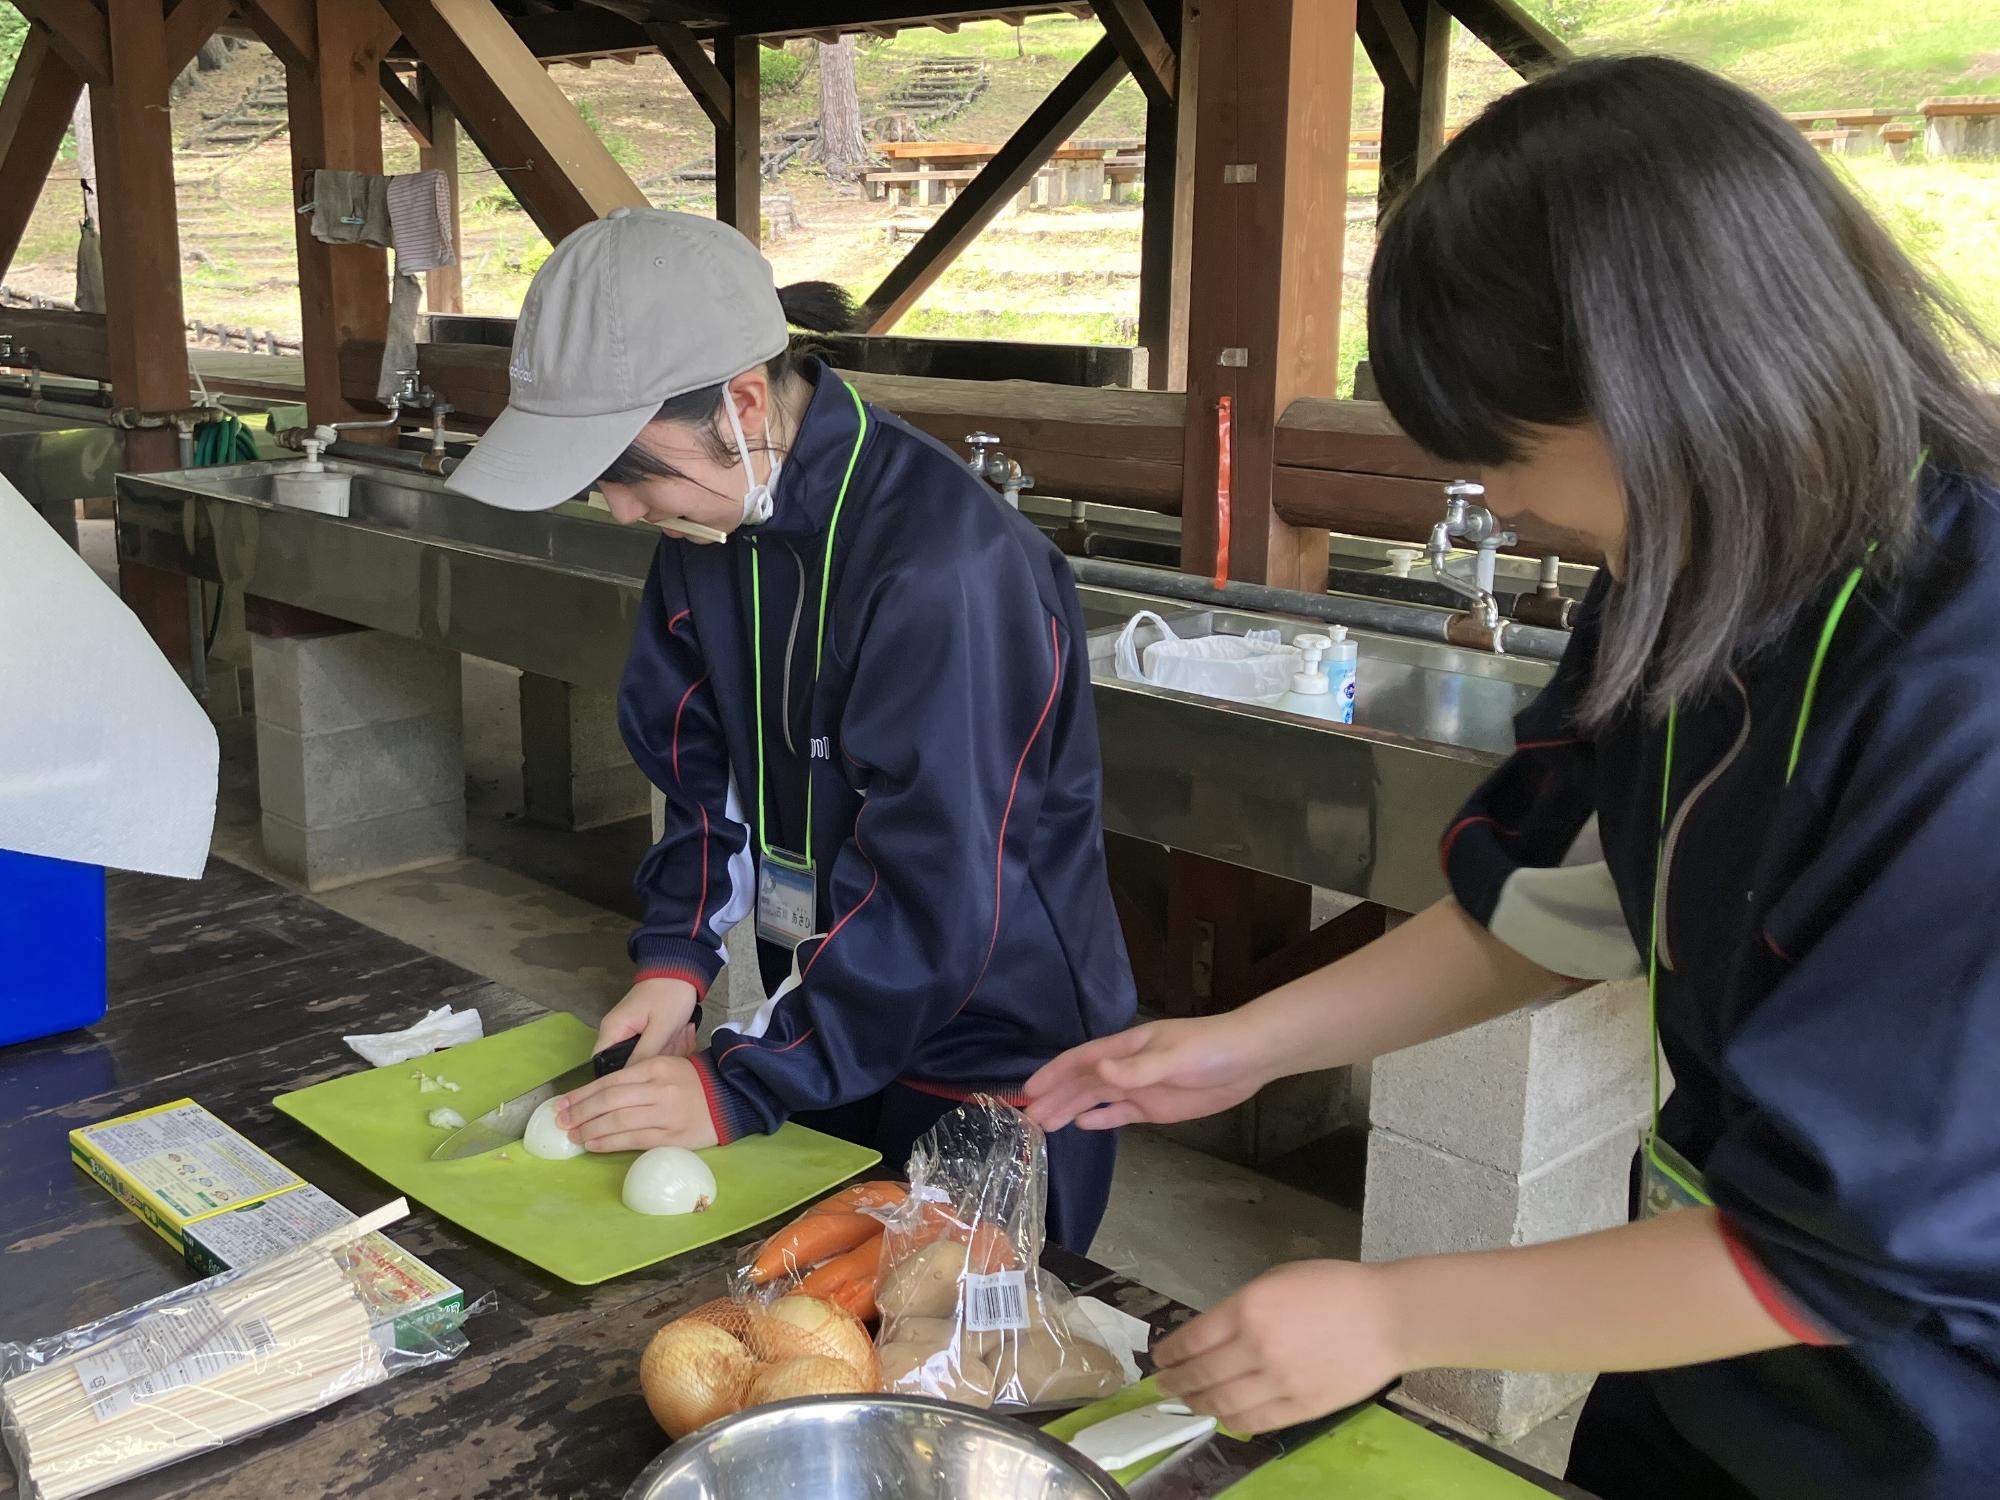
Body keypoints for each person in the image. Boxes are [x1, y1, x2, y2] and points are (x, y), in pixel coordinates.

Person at [1027, 55, 2000, 1498]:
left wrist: (1396, 1313)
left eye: (1505, 452)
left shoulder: (1959, 695)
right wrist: (1244, 1044)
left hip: (1926, 1414)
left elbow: (1847, 1246)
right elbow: (1554, 908)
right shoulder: (1690, 570)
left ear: (1669, 385)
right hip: (1693, 1349)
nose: (1495, 504)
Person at [448, 208, 1135, 1250]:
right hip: (822, 1006)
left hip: (995, 1055)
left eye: (631, 470)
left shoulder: (942, 569)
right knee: (790, 1315)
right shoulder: (710, 516)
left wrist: (745, 1079)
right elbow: (698, 773)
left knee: (954, 1357)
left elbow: (938, 886)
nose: (622, 510)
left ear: (740, 404)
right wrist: (674, 961)